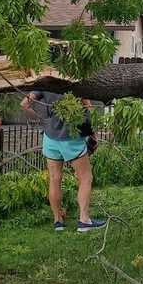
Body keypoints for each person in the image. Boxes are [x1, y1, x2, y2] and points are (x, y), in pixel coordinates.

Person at [20, 90, 105, 232]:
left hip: (50, 138)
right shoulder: (75, 82)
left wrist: (43, 121)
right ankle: (84, 221)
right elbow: (88, 108)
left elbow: (24, 104)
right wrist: (95, 134)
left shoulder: (45, 82)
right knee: (85, 178)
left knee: (54, 178)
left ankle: (57, 221)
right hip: (71, 138)